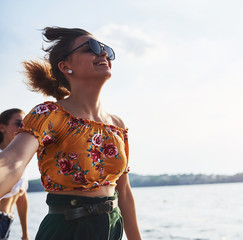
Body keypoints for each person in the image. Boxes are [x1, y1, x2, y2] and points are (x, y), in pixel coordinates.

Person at [0, 27, 141, 239]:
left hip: (112, 229)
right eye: (91, 48)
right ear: (65, 66)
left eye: (106, 49)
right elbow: (13, 163)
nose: (102, 53)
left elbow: (125, 193)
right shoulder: (49, 114)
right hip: (67, 230)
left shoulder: (117, 125)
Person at [0, 109, 29, 240]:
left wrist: (25, 233)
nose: (23, 127)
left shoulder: (21, 159)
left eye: (25, 124)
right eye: (18, 123)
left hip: (7, 222)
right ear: (2, 127)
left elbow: (21, 197)